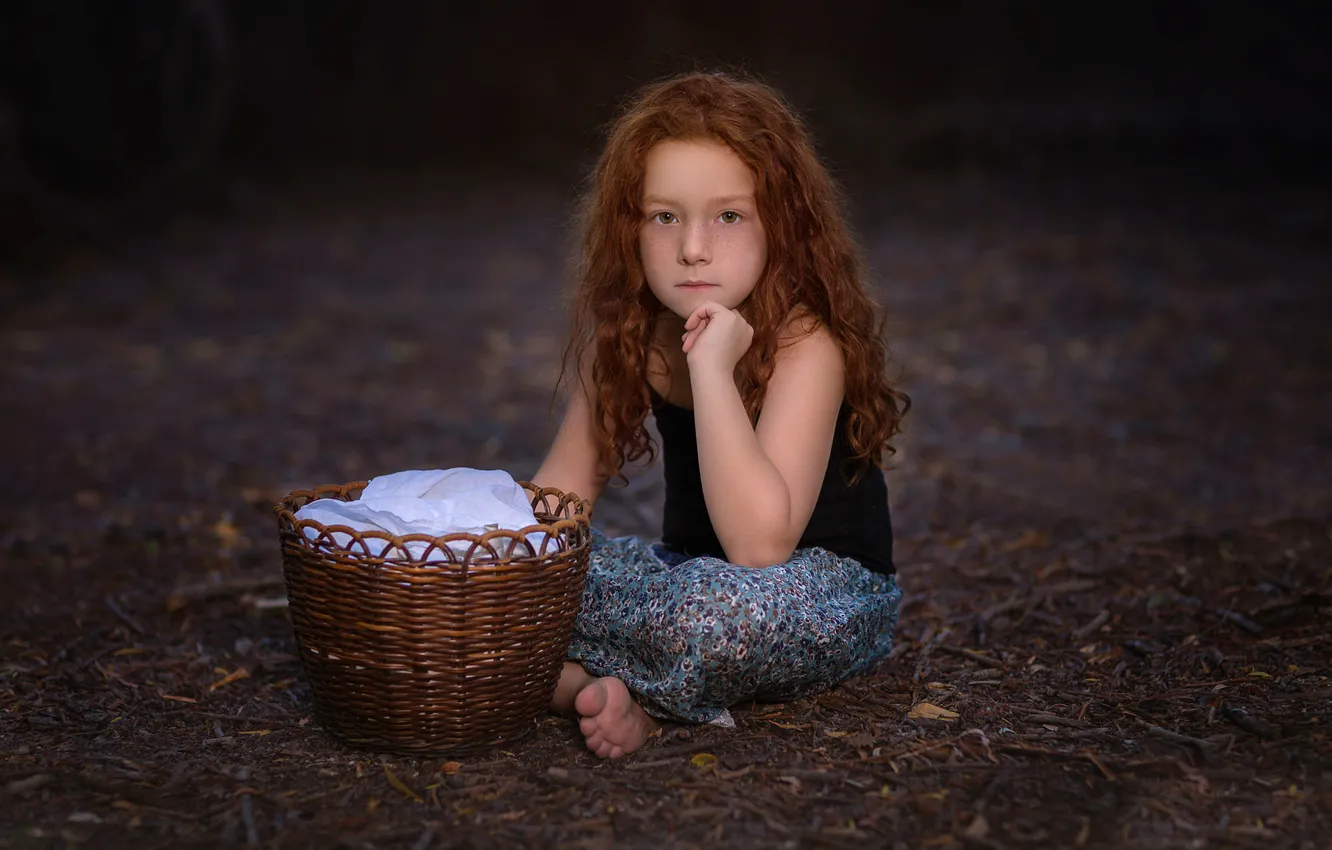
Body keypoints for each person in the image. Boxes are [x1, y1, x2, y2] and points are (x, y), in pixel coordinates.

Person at [532, 71, 909, 759]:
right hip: (686, 578)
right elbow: (552, 512)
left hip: (816, 593)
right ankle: (593, 687)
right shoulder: (630, 341)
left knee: (713, 614)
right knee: (536, 579)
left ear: (782, 226)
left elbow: (760, 550)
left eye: (728, 216)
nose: (692, 248)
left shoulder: (805, 343)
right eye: (664, 216)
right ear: (629, 226)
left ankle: (574, 680)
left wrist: (710, 368)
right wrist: (484, 563)